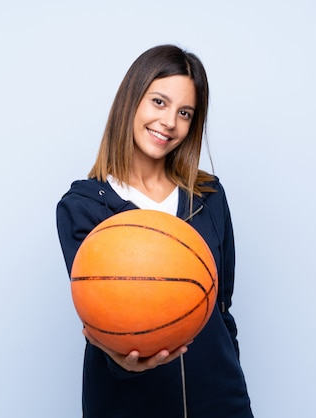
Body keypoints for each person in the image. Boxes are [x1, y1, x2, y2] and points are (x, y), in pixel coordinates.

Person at [56, 44, 254, 418]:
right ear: (131, 101)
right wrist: (122, 364)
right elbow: (100, 321)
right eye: (159, 103)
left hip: (220, 402)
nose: (169, 123)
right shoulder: (82, 207)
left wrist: (232, 385)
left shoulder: (208, 196)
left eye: (185, 113)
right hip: (127, 405)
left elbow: (222, 310)